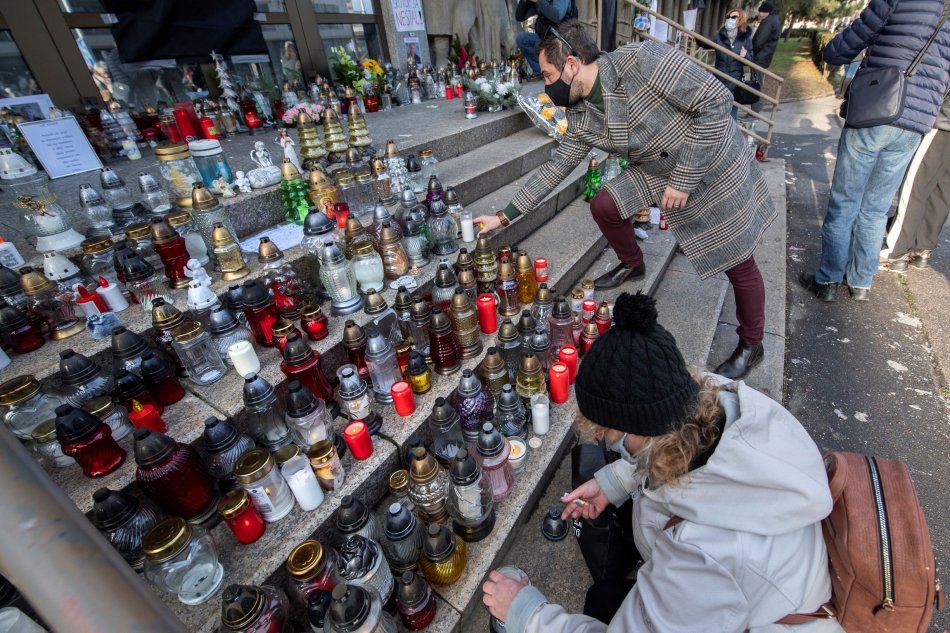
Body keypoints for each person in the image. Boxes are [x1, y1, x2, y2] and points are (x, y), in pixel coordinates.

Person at [482, 292, 842, 633]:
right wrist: (612, 484)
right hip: (753, 586)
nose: (602, 440)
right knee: (606, 595)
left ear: (640, 432)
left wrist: (525, 612)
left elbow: (694, 565)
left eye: (607, 433)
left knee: (601, 601)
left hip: (755, 615)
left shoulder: (701, 555)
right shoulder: (718, 399)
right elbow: (668, 454)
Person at [474, 20, 775, 379]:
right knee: (604, 205)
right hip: (654, 168)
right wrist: (503, 216)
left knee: (738, 259)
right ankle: (633, 262)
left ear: (572, 64)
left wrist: (683, 180)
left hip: (708, 158)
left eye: (549, 75)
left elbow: (715, 101)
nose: (547, 86)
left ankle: (752, 343)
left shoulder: (642, 59)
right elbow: (555, 168)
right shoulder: (580, 113)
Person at [799, 0, 950, 303]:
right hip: (917, 122)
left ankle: (828, 279)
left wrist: (834, 51)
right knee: (876, 208)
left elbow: (845, 46)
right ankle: (860, 282)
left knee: (845, 202)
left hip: (876, 106)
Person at [880, 91, 950, 272]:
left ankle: (895, 252)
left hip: (943, 121)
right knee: (942, 191)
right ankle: (922, 248)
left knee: (915, 187)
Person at [703, 8, 754, 118]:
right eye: (728, 17)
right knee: (716, 113)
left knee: (731, 115)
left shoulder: (746, 39)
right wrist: (694, 37)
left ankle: (731, 129)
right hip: (719, 80)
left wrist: (745, 56)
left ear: (741, 19)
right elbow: (707, 43)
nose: (730, 19)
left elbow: (750, 61)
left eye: (734, 17)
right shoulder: (720, 36)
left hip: (734, 83)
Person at [515, 0, 577, 78]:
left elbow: (557, 16)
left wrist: (539, 1)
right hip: (544, 39)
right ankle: (539, 71)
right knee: (522, 38)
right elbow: (519, 17)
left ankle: (554, 70)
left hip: (561, 43)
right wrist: (523, 2)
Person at [752, 1, 781, 70]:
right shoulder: (774, 19)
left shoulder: (768, 21)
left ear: (767, 12)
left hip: (760, 57)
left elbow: (759, 41)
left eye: (760, 12)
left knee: (756, 75)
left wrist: (751, 52)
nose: (758, 14)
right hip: (765, 56)